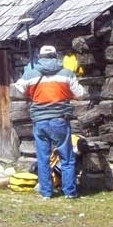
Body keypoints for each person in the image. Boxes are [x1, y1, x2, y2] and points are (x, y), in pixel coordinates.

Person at [13, 44, 86, 200]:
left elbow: (19, 89)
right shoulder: (66, 73)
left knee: (43, 158)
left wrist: (30, 86)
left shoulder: (31, 73)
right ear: (55, 56)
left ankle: (46, 192)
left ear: (40, 57)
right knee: (67, 157)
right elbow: (80, 93)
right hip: (60, 120)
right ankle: (69, 192)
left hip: (40, 121)